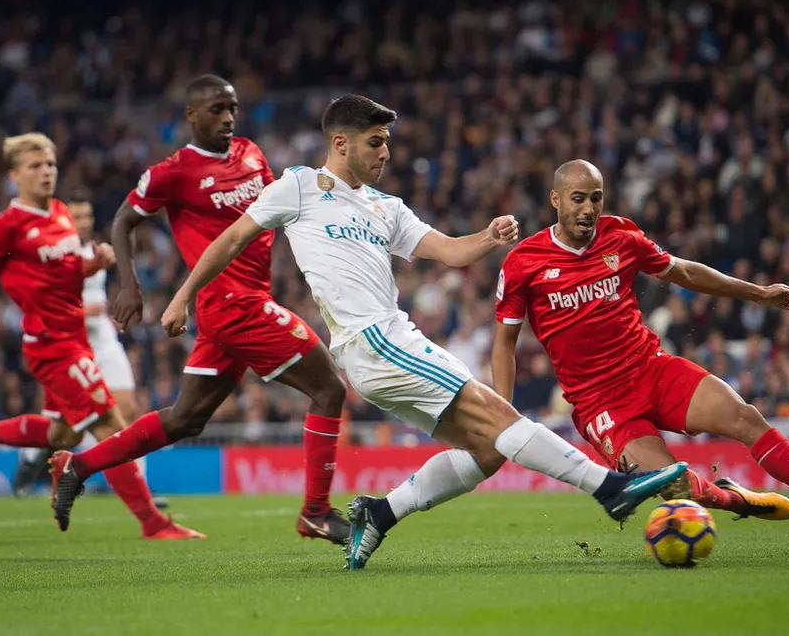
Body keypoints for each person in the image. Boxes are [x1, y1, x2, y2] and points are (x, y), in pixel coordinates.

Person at [140, 93, 688, 570]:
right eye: (375, 142)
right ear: (340, 142)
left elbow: (448, 250)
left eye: (386, 143)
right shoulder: (300, 188)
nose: (385, 153)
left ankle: (380, 512)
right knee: (501, 417)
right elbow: (232, 239)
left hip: (390, 342)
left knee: (488, 449)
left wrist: (489, 236)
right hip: (371, 339)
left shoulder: (386, 207)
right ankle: (608, 488)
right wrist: (184, 295)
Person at [492, 159, 789, 543]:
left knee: (745, 416)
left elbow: (684, 272)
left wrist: (759, 293)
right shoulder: (525, 263)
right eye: (578, 198)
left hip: (652, 370)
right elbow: (504, 344)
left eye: (596, 197)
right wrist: (504, 416)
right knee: (674, 485)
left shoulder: (623, 239)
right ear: (555, 200)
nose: (589, 208)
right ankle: (732, 498)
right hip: (601, 405)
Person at [47, 75, 350, 544]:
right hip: (234, 307)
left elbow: (281, 208)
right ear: (191, 115)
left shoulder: (251, 153)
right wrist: (130, 286)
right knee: (329, 387)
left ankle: (78, 464)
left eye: (231, 108)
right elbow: (124, 218)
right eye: (216, 109)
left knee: (186, 418)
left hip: (241, 305)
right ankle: (315, 510)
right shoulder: (175, 172)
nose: (228, 117)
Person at [0, 132, 199, 540]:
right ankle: (153, 523)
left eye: (49, 165)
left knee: (61, 434)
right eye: (34, 166)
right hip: (52, 345)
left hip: (75, 336)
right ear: (14, 175)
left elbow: (64, 271)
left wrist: (93, 264)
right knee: (114, 428)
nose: (45, 172)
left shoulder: (61, 212)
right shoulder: (5, 227)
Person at [11, 191, 168, 510]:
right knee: (64, 429)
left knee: (129, 409)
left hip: (104, 343)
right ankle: (31, 455)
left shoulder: (97, 251)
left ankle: (140, 491)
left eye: (87, 218)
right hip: (68, 347)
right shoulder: (47, 254)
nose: (83, 223)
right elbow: (38, 306)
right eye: (77, 217)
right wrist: (83, 311)